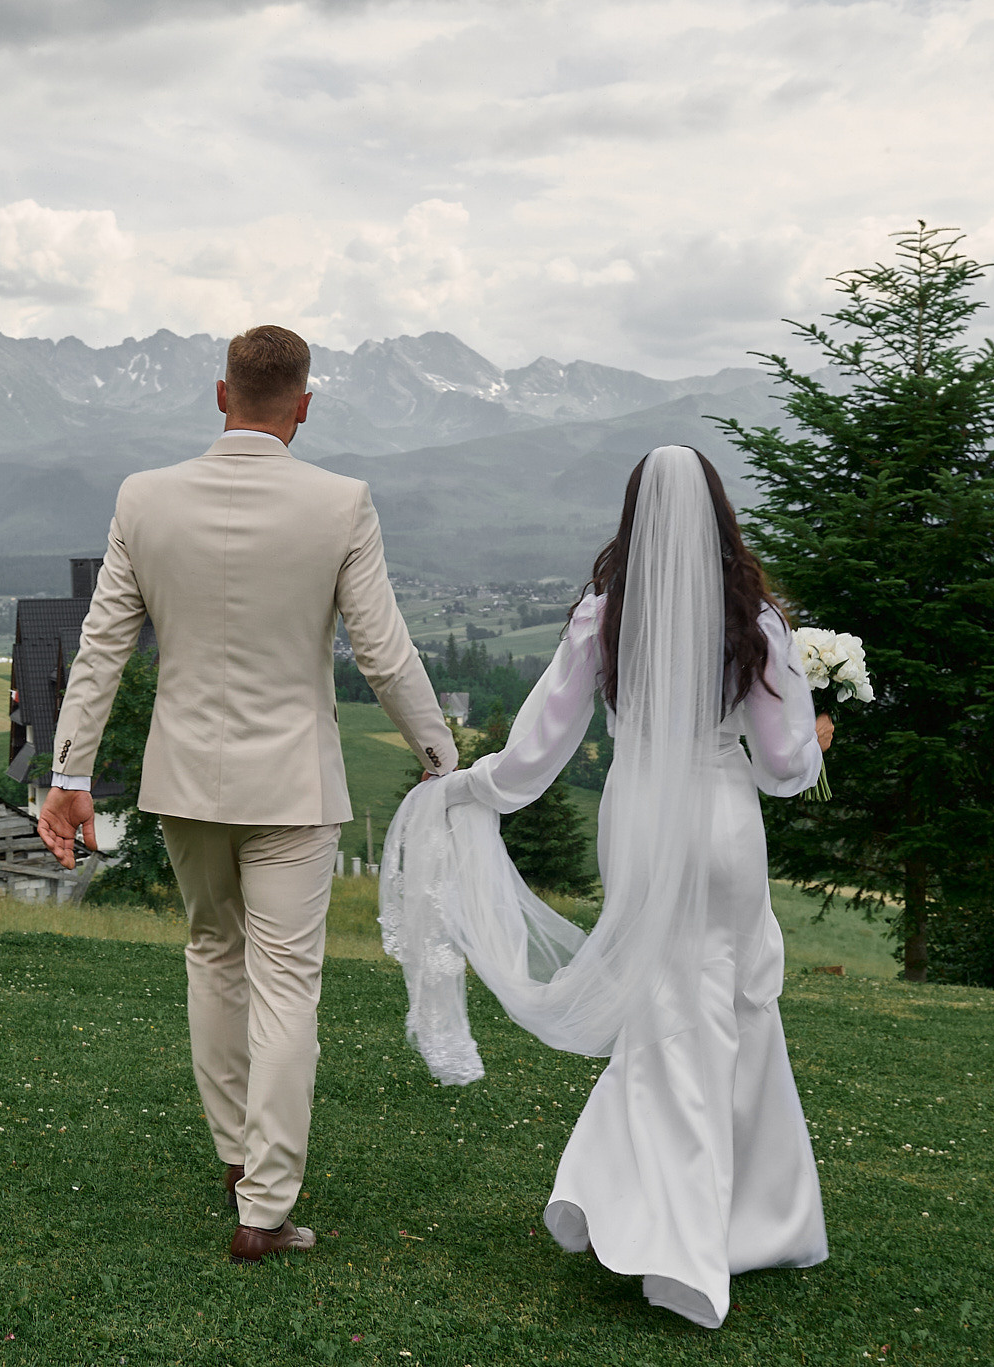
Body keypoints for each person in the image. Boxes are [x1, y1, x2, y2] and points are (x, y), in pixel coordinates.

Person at [379, 444, 833, 1328]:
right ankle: (742, 1226)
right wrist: (814, 732)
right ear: (718, 513)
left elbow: (540, 748)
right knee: (735, 1003)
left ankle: (678, 1232)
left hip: (640, 818)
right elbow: (783, 767)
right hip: (725, 821)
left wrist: (473, 787)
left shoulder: (605, 617)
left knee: (669, 1008)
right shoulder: (759, 622)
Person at [36, 324, 456, 1264]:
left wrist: (70, 774)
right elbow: (383, 651)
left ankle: (238, 1159)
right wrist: (440, 753)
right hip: (294, 788)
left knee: (211, 955)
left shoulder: (143, 499)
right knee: (286, 984)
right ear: (303, 406)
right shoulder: (341, 502)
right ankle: (265, 1203)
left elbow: (103, 644)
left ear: (219, 395)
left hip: (184, 781)